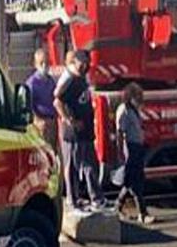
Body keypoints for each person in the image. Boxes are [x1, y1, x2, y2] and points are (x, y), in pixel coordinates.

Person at [54, 50, 105, 211]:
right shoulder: (69, 80)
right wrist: (69, 120)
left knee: (90, 165)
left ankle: (96, 198)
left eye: (87, 63)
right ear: (75, 62)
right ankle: (72, 199)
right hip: (73, 134)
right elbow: (57, 100)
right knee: (72, 168)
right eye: (83, 63)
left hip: (86, 131)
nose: (86, 66)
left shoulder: (82, 77)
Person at [115, 83, 155, 224]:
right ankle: (142, 213)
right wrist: (121, 152)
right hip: (130, 148)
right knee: (135, 181)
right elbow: (120, 132)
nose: (140, 98)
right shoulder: (124, 110)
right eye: (138, 95)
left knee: (130, 181)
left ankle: (117, 207)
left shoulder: (134, 110)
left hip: (137, 147)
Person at [25, 49, 59, 153]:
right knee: (43, 152)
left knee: (53, 151)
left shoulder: (50, 80)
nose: (45, 65)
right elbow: (29, 104)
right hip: (40, 122)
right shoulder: (32, 83)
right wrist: (38, 120)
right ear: (36, 64)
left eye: (47, 62)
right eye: (41, 63)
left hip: (52, 121)